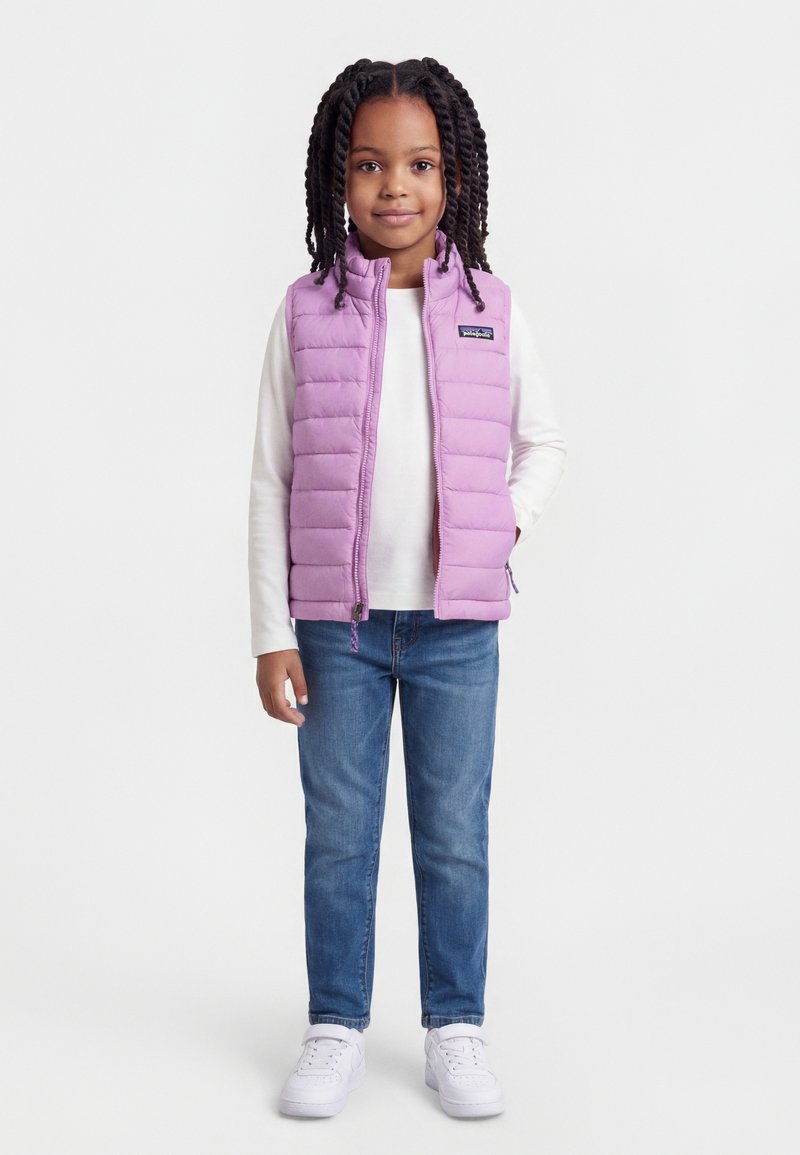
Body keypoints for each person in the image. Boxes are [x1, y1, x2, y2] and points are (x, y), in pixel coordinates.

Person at [248, 57, 567, 1119]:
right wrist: (270, 630)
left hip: (456, 629)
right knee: (338, 834)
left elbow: (543, 443)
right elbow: (270, 478)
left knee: (453, 835)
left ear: (454, 178)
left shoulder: (489, 308)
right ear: (335, 179)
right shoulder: (305, 312)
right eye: (370, 165)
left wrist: (501, 522)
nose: (396, 187)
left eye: (420, 165)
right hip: (334, 630)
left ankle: (454, 1026)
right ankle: (335, 1024)